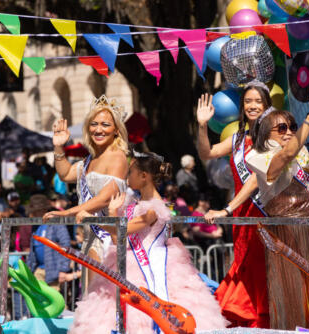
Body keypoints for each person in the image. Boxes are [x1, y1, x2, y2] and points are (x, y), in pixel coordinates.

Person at [70, 152, 228, 333]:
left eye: (130, 172)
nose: (126, 177)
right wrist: (113, 213)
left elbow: (124, 230)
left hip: (156, 269)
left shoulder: (154, 209)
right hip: (129, 265)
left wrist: (92, 218)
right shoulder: (132, 206)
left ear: (144, 176)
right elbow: (118, 240)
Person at [245, 88, 309, 330]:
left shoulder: (299, 155)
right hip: (286, 236)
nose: (289, 132)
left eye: (291, 126)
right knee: (292, 295)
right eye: (282, 128)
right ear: (266, 133)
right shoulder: (256, 156)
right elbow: (284, 156)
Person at [196, 80, 273, 328]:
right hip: (241, 216)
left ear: (267, 105)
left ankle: (263, 321)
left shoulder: (273, 136)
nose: (252, 105)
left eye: (257, 101)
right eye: (248, 101)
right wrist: (202, 125)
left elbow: (255, 180)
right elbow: (207, 153)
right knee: (242, 265)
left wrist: (226, 209)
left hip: (264, 214)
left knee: (261, 271)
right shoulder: (238, 138)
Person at [43, 95, 129, 269]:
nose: (98, 130)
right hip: (90, 233)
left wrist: (66, 213)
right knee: (92, 293)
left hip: (108, 235)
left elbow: (104, 199)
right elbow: (66, 174)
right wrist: (58, 146)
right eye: (94, 124)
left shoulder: (118, 156)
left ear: (116, 130)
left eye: (105, 125)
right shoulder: (90, 159)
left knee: (104, 295)